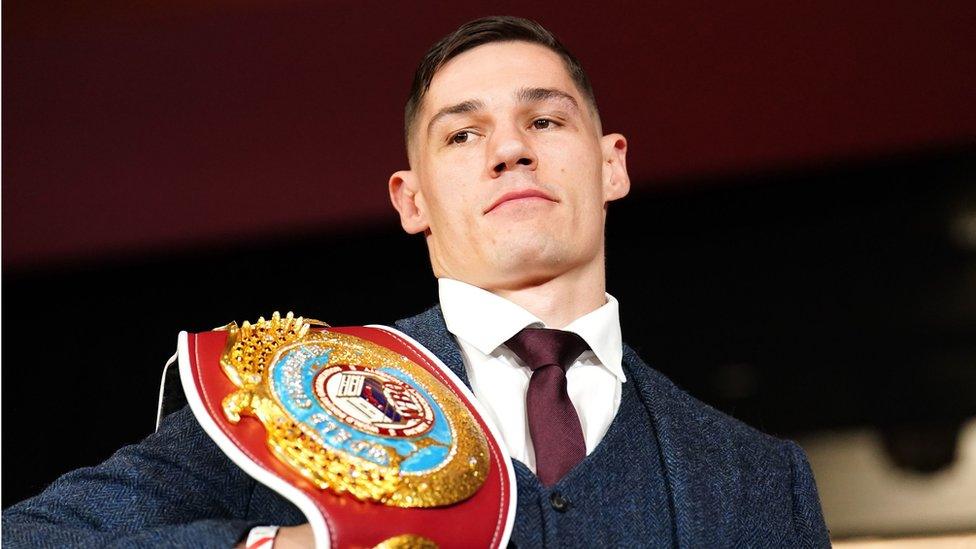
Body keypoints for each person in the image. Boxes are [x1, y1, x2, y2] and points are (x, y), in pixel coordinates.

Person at [2, 16, 830, 548]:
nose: (511, 149)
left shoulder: (760, 478)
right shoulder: (288, 395)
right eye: (463, 135)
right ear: (413, 199)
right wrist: (280, 548)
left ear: (611, 163)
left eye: (544, 120)